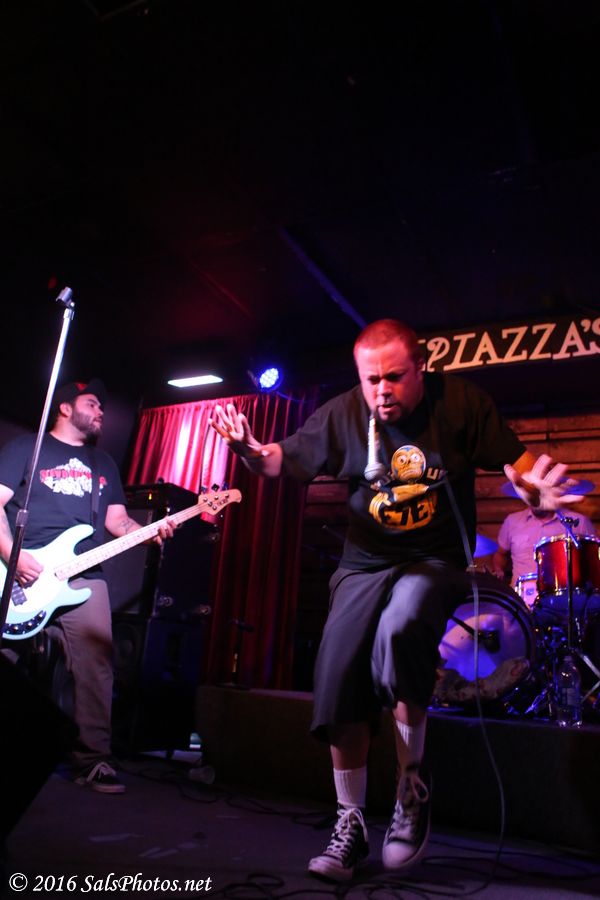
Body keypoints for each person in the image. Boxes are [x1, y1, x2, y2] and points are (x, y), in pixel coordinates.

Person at [209, 319, 578, 882]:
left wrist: (536, 490)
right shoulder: (342, 414)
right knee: (338, 668)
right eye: (372, 379)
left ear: (420, 368)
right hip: (363, 564)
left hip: (433, 560)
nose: (382, 390)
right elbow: (277, 459)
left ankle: (411, 788)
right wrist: (247, 449)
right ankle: (351, 821)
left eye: (395, 378)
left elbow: (517, 463)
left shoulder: (460, 403)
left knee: (402, 625)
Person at [0, 379, 173, 794]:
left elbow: (117, 521)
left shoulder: (104, 463)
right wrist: (11, 554)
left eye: (102, 406)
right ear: (64, 407)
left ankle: (93, 760)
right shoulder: (28, 448)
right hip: (21, 568)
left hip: (83, 574)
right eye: (92, 403)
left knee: (97, 660)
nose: (101, 412)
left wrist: (149, 531)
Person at [493, 505, 596, 587]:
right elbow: (500, 553)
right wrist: (498, 570)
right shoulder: (512, 521)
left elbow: (595, 557)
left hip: (564, 593)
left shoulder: (578, 521)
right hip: (522, 594)